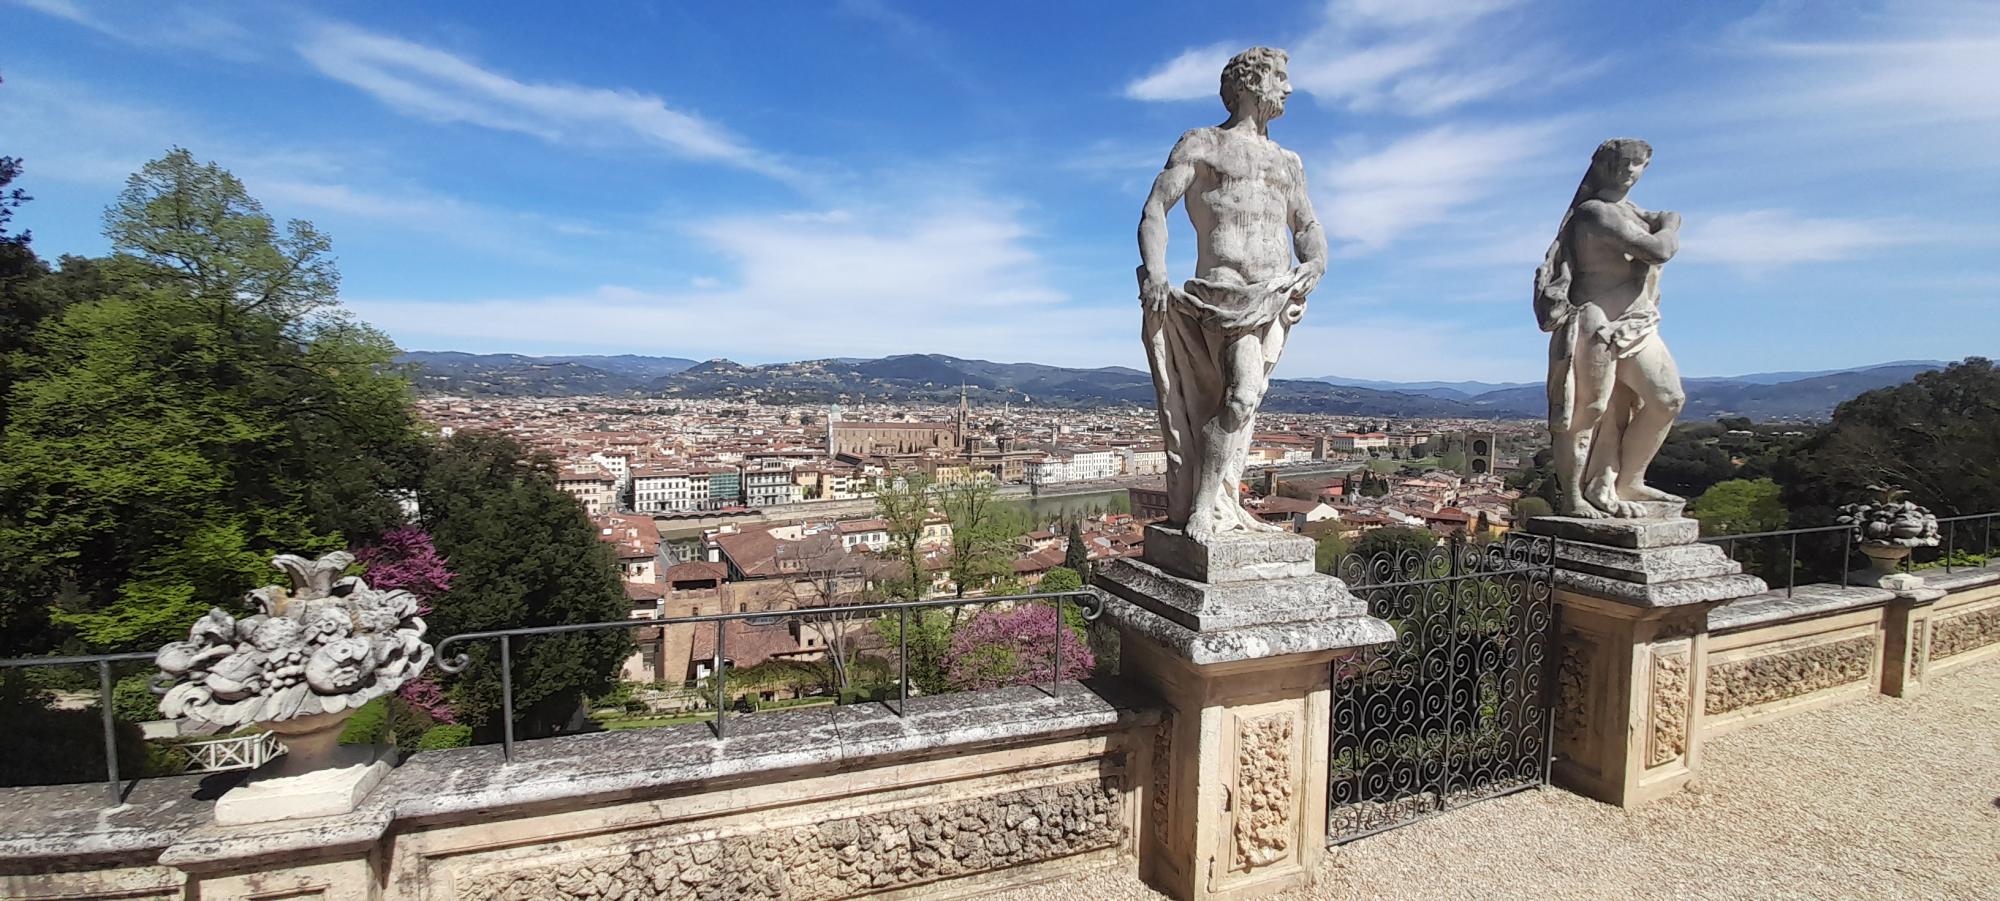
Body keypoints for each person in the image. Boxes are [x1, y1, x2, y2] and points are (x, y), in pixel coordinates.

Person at [1136, 46, 1327, 542]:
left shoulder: (1289, 163)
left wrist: (1316, 262)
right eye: (1280, 77)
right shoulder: (1203, 143)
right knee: (1242, 396)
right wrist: (1156, 271)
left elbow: (1306, 225)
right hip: (1223, 296)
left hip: (1275, 296)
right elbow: (1156, 208)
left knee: (1244, 401)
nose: (1288, 87)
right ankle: (1205, 508)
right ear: (1249, 82)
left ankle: (1224, 500)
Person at [1534, 139, 1688, 519]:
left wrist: (1660, 222)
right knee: (1585, 413)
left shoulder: (1633, 213)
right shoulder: (1593, 213)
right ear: (1601, 167)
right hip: (1594, 324)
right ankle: (1572, 497)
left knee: (1667, 400)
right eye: (1619, 163)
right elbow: (1658, 250)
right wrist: (1672, 223)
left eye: (1636, 164)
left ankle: (1625, 481)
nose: (1627, 170)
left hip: (1637, 324)